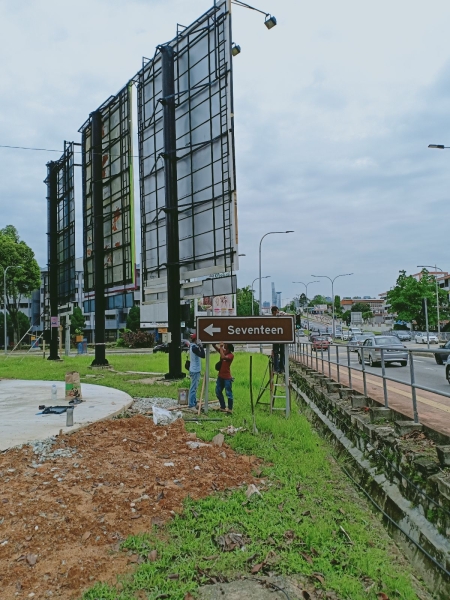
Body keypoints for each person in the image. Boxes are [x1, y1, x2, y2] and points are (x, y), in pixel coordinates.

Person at [212, 342, 234, 414]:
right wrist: (214, 343)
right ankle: (222, 407)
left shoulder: (231, 355)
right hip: (220, 376)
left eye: (225, 344)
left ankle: (230, 409)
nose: (224, 344)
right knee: (218, 391)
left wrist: (220, 347)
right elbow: (215, 347)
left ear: (228, 346)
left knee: (228, 393)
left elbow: (223, 357)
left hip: (227, 378)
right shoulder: (223, 351)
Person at [188, 333, 205, 409]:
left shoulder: (193, 346)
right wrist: (201, 347)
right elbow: (203, 355)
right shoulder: (194, 347)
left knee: (195, 388)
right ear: (196, 340)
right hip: (195, 370)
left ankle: (194, 403)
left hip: (194, 369)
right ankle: (191, 404)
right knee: (193, 388)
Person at [271, 305, 285, 374]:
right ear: (274, 312)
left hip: (282, 339)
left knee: (282, 353)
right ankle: (276, 368)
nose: (278, 312)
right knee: (276, 353)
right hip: (275, 339)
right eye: (277, 311)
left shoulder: (281, 317)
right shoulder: (271, 319)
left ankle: (282, 368)